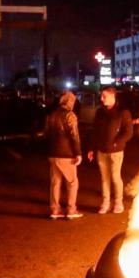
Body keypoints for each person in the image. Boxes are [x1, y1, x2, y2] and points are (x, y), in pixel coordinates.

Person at [87, 86, 132, 214]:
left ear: (113, 96)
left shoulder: (123, 112)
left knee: (115, 176)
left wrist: (117, 143)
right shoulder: (100, 112)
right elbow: (94, 131)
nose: (101, 99)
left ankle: (118, 202)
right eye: (101, 96)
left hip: (116, 152)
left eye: (104, 96)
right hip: (101, 151)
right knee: (104, 178)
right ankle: (106, 202)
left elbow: (128, 132)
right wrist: (91, 148)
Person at [45, 90, 82, 220]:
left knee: (55, 182)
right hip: (66, 154)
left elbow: (46, 134)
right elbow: (74, 136)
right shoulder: (70, 115)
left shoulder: (51, 115)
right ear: (69, 101)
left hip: (52, 154)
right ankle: (71, 210)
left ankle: (55, 210)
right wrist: (78, 153)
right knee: (72, 182)